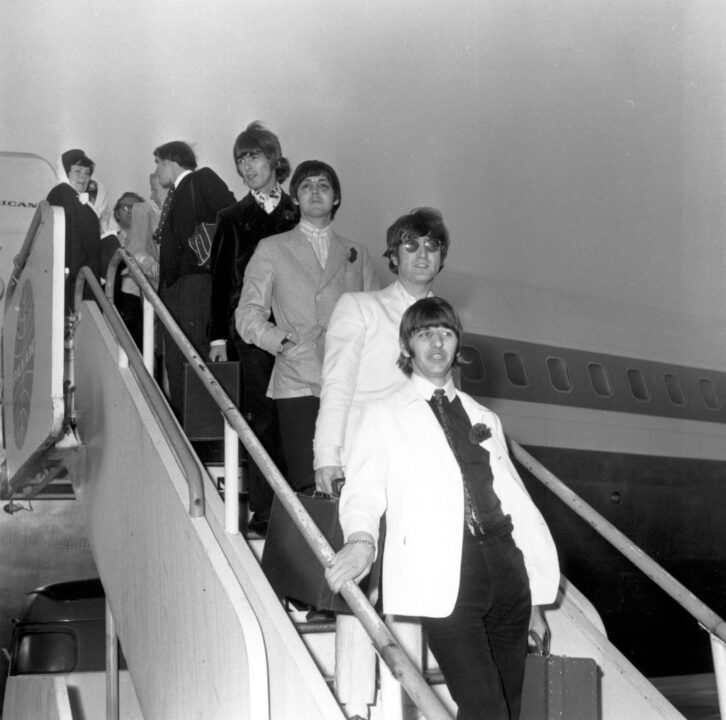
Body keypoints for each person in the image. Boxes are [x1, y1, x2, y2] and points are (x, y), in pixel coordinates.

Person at [326, 297, 560, 720]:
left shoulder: (482, 414)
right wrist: (361, 540)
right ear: (406, 346)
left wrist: (537, 602)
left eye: (446, 333)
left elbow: (511, 501)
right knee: (484, 708)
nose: (436, 343)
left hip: (507, 570)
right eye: (424, 333)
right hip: (447, 577)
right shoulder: (382, 415)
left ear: (457, 345)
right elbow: (362, 491)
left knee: (511, 706)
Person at [312, 207, 450, 720]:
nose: (420, 255)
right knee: (359, 589)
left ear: (441, 257)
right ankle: (353, 702)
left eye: (430, 247)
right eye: (410, 246)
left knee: (409, 587)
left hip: (421, 472)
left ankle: (410, 703)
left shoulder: (444, 321)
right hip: (366, 461)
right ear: (393, 256)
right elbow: (338, 383)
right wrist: (328, 455)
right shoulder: (361, 306)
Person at [235, 160, 378, 494]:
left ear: (337, 199)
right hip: (297, 377)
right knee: (308, 482)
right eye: (306, 186)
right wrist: (279, 341)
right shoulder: (272, 248)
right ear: (295, 198)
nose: (315, 191)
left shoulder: (357, 253)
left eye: (324, 185)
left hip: (349, 381)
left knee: (350, 482)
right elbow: (247, 313)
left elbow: (375, 318)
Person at [208, 122, 299, 535]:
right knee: (262, 418)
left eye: (254, 157)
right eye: (240, 159)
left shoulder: (299, 212)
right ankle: (265, 512)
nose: (247, 167)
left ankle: (301, 504)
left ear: (273, 159)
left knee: (296, 415)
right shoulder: (231, 217)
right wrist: (217, 338)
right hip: (251, 334)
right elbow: (221, 282)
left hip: (299, 333)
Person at [153, 140, 235, 417]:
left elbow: (230, 212)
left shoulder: (202, 179)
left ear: (169, 160)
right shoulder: (175, 194)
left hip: (196, 279)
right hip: (173, 285)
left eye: (158, 162)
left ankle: (207, 428)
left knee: (195, 350)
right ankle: (186, 425)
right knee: (176, 358)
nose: (156, 170)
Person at [47, 149, 103, 312]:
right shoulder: (62, 193)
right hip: (73, 277)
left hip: (80, 275)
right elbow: (69, 239)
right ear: (65, 171)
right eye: (77, 171)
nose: (83, 177)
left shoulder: (75, 198)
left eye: (87, 173)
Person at [113, 191, 161, 346]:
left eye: (134, 207)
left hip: (146, 301)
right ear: (117, 213)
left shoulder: (153, 244)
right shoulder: (110, 239)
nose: (130, 211)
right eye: (125, 207)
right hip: (119, 302)